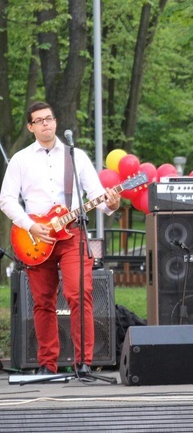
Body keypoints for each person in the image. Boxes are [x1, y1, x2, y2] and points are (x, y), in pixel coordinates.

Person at [0, 101, 121, 375]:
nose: (46, 124)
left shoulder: (76, 156)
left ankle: (84, 363)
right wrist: (29, 225)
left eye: (50, 118)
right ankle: (47, 364)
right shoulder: (21, 160)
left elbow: (98, 196)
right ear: (31, 127)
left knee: (80, 294)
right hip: (36, 238)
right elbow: (6, 199)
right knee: (42, 301)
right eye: (40, 120)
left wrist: (112, 203)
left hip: (72, 234)